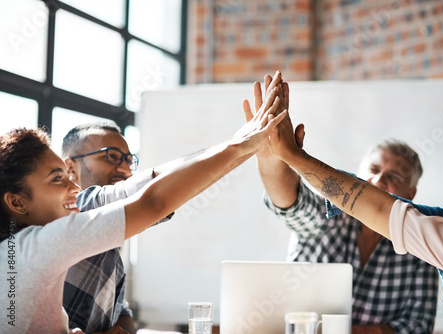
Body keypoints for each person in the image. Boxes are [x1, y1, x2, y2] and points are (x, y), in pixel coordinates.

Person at [0, 77, 287, 333]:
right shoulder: (47, 240)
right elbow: (153, 198)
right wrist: (240, 145)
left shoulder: (20, 248)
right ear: (16, 201)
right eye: (57, 178)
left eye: (128, 159)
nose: (72, 187)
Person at [246, 75, 443, 333]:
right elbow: (288, 199)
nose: (378, 181)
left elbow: (417, 326)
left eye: (392, 177)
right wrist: (270, 155)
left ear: (410, 194)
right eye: (372, 172)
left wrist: (291, 154)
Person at [59, 122, 144, 334]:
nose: (125, 170)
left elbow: (122, 312)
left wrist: (118, 330)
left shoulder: (109, 233)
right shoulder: (72, 212)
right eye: (112, 156)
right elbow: (155, 200)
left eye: (129, 161)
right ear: (70, 168)